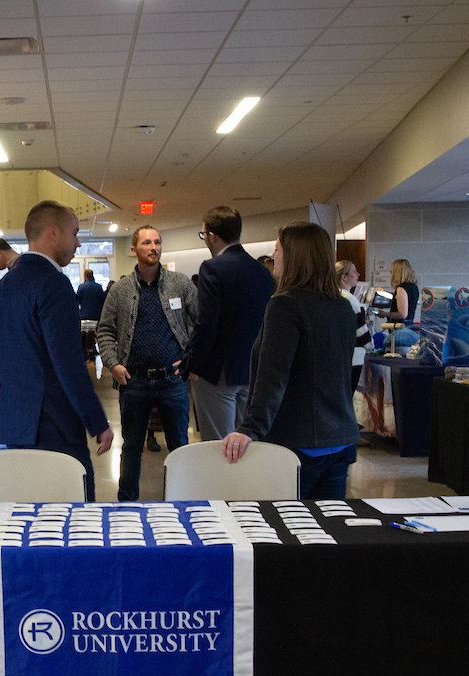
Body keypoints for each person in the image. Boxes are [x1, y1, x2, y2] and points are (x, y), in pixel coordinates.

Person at [222, 222, 358, 499]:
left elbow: (273, 375)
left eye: (277, 249)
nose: (274, 256)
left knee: (285, 533)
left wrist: (250, 427)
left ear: (295, 255)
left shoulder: (285, 305)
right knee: (327, 533)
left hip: (298, 445)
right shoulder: (343, 305)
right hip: (340, 440)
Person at [0, 200, 113, 500]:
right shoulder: (54, 283)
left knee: (30, 524)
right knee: (74, 523)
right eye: (75, 233)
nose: (78, 242)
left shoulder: (3, 287)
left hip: (16, 425)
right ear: (53, 233)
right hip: (55, 427)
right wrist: (97, 421)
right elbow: (68, 362)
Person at [97, 224, 197, 501]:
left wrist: (191, 358)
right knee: (131, 447)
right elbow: (104, 330)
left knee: (179, 445)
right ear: (133, 250)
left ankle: (183, 499)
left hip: (172, 379)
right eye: (146, 243)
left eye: (157, 242)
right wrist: (112, 363)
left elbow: (202, 322)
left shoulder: (179, 283)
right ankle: (127, 503)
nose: (153, 247)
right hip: (134, 380)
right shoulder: (120, 290)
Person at [188, 206, 274, 441]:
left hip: (219, 371)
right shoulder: (262, 271)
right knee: (245, 442)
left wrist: (193, 365)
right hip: (252, 369)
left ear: (212, 236)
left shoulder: (212, 268)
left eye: (203, 234)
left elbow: (206, 323)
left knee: (219, 444)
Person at [336, 259, 371, 390]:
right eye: (354, 272)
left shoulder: (330, 297)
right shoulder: (351, 300)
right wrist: (370, 346)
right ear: (344, 277)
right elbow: (360, 329)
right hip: (354, 358)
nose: (358, 275)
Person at [383, 258, 420, 347]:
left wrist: (386, 314)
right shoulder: (414, 287)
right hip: (409, 326)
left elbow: (402, 314)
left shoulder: (401, 288)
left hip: (400, 329)